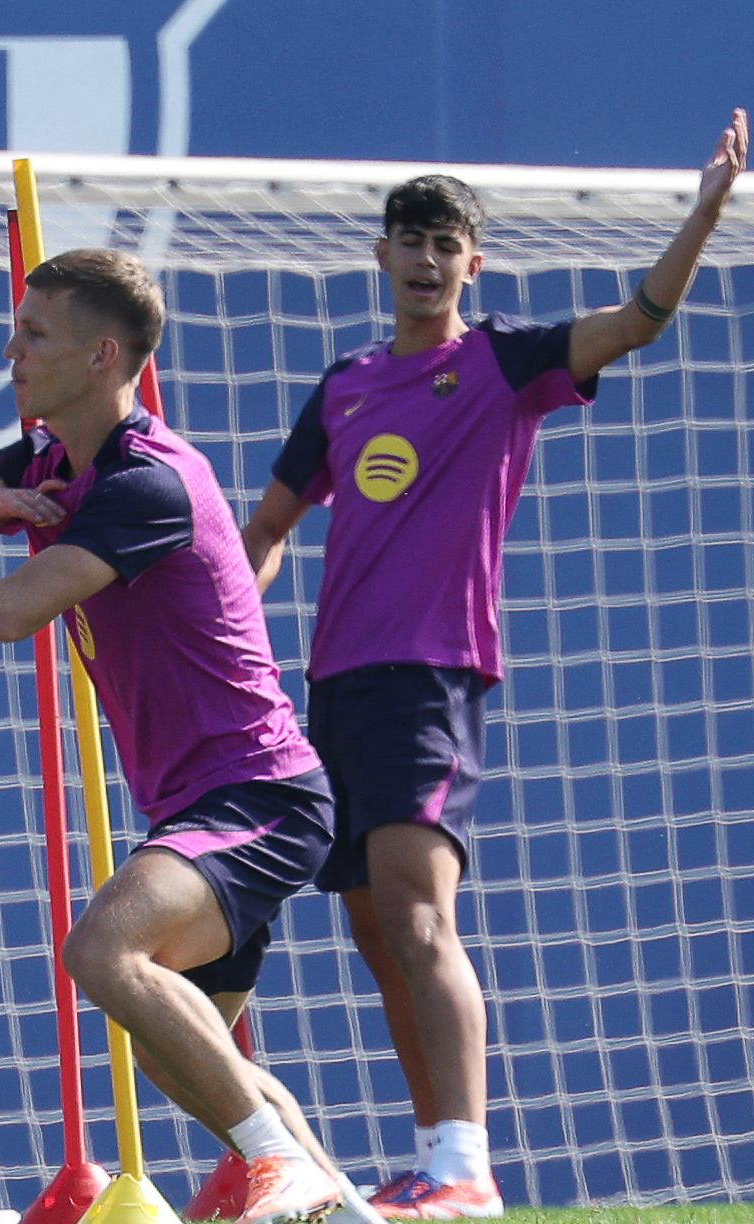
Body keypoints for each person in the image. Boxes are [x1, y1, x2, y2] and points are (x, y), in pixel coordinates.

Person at [238, 109, 748, 1218]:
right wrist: (218, 612)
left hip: (433, 674)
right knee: (376, 933)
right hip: (339, 687)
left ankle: (467, 1175)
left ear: (473, 260)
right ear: (379, 257)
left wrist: (701, 215)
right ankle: (435, 1161)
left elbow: (637, 322)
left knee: (421, 917)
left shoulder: (502, 362)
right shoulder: (342, 388)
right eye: (407, 241)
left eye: (444, 243)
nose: (424, 261)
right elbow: (268, 528)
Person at [0, 248, 378, 1224]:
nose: (8, 349)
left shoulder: (144, 484)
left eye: (32, 333)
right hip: (201, 804)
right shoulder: (54, 462)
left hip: (256, 799)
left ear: (99, 357)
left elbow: (12, 610)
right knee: (199, 1068)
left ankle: (280, 1167)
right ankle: (338, 1205)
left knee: (99, 952)